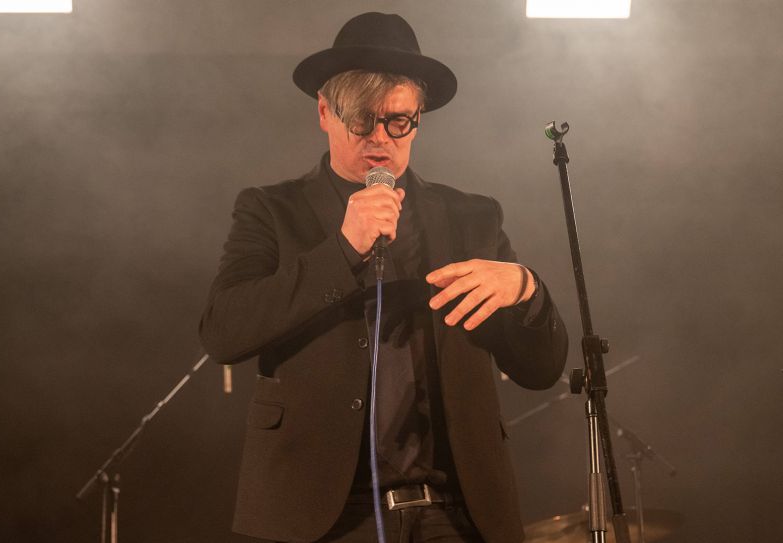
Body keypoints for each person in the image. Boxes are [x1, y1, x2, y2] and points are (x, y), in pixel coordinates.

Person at [200, 12, 569, 543]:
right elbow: (223, 332)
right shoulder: (272, 211)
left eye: (398, 121)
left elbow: (540, 370)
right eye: (361, 120)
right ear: (325, 113)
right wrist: (341, 248)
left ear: (419, 118)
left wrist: (527, 291)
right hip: (322, 516)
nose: (380, 139)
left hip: (454, 513)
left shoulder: (472, 217)